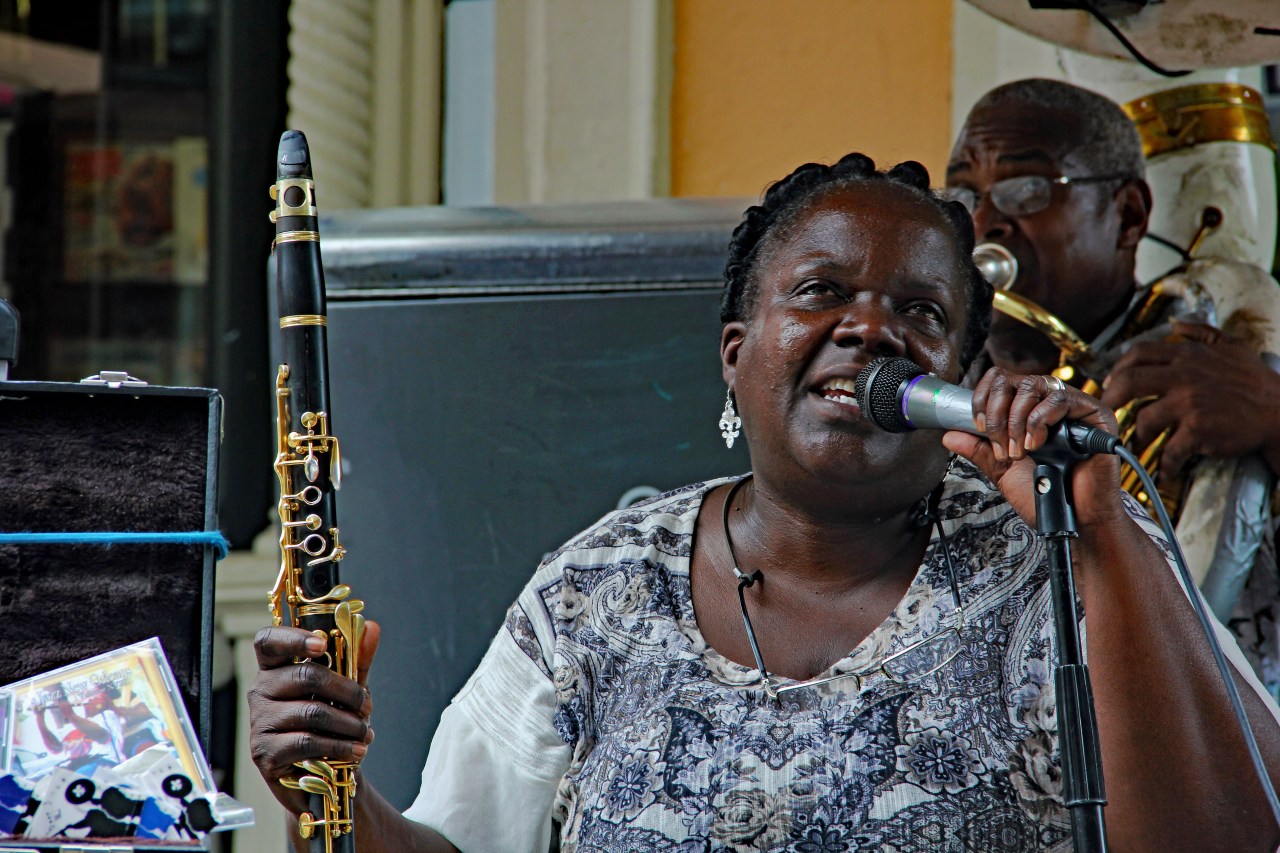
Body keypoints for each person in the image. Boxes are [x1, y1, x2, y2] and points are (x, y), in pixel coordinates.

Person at [249, 153, 1280, 851]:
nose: (868, 329)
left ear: (962, 375)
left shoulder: (1066, 546)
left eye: (918, 311)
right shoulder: (597, 590)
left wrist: (1096, 527)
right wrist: (328, 794)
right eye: (820, 293)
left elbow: (1231, 831)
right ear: (737, 363)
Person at [946, 78, 1280, 693]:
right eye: (966, 193)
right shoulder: (931, 382)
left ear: (1127, 216)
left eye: (1026, 189)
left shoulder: (1229, 369)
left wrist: (1275, 421)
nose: (986, 222)